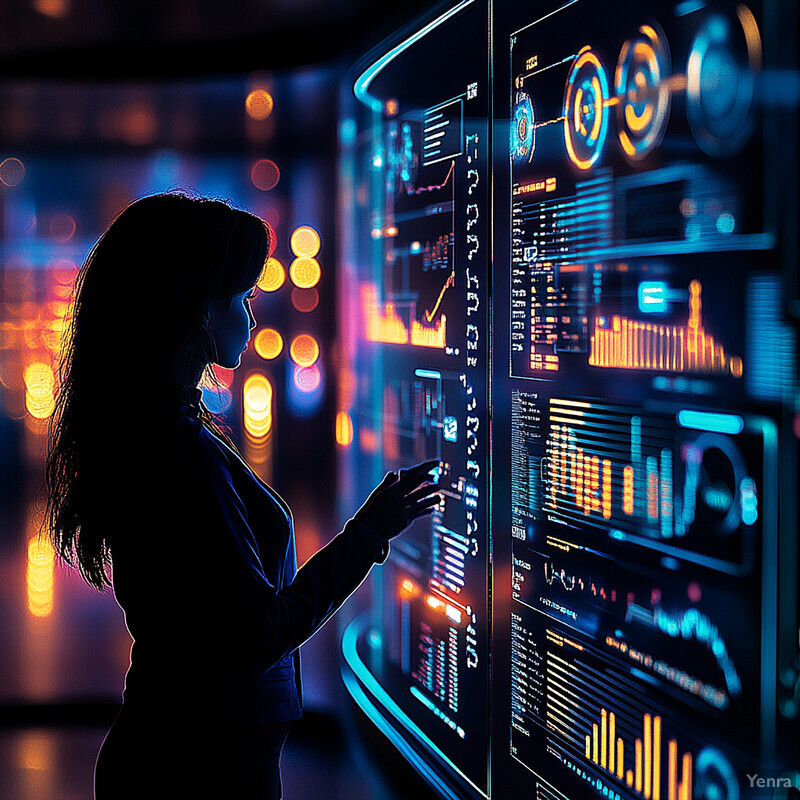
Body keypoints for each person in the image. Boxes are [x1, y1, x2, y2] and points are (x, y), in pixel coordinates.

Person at [43, 191, 441, 799]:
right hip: (201, 768)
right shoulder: (182, 456)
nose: (252, 317)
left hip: (175, 754)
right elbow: (258, 634)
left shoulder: (159, 433)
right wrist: (369, 534)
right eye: (242, 297)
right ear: (198, 308)